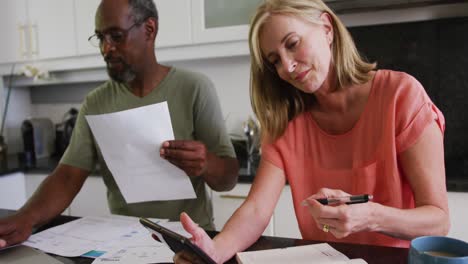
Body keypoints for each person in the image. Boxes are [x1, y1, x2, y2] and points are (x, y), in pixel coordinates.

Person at [173, 0, 450, 262]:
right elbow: (256, 211)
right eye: (275, 61)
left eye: (292, 44)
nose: (287, 67)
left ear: (327, 29)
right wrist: (215, 250)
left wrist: (371, 216)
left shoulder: (400, 96)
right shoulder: (287, 122)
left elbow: (438, 221)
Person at [0, 0, 239, 248]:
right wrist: (26, 218)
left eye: (116, 36)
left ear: (149, 29)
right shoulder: (95, 103)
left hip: (190, 238)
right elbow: (68, 176)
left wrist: (206, 163)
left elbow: (228, 178)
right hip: (126, 240)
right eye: (101, 38)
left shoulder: (194, 88)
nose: (106, 49)